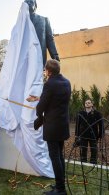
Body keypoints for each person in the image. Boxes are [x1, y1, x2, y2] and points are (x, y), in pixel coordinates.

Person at [35, 60, 71, 195]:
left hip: (53, 126)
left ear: (48, 71)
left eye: (45, 70)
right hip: (62, 124)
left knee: (55, 157)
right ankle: (59, 185)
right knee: (59, 156)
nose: (45, 72)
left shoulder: (49, 84)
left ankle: (60, 189)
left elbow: (42, 106)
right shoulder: (66, 82)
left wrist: (38, 112)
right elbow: (56, 101)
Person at [25, 0, 60, 65]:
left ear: (35, 5)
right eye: (27, 2)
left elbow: (50, 39)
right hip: (25, 58)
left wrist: (54, 55)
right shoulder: (21, 24)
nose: (29, 3)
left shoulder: (44, 20)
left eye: (31, 2)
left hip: (40, 57)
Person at [75, 99, 103, 164]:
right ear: (84, 105)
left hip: (93, 135)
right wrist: (77, 135)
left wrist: (100, 135)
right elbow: (77, 125)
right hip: (83, 135)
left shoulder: (97, 113)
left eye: (89, 103)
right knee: (83, 149)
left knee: (94, 150)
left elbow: (101, 125)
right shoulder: (80, 113)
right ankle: (83, 162)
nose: (87, 104)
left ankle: (93, 162)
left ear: (92, 104)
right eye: (86, 103)